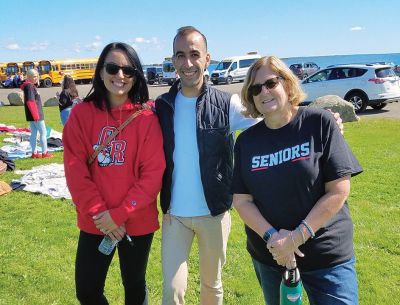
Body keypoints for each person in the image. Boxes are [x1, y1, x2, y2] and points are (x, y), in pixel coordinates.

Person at [155, 26, 344, 305]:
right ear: (173, 61)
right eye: (180, 56)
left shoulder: (226, 104)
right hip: (175, 214)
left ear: (207, 59)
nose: (188, 63)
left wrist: (318, 119)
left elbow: (277, 112)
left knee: (212, 287)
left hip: (214, 213)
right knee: (172, 291)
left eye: (195, 54)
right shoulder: (161, 106)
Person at [231, 56, 363, 305]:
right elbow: (242, 200)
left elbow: (338, 190)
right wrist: (275, 240)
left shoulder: (320, 122)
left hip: (328, 257)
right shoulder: (246, 141)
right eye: (255, 88)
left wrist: (296, 237)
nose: (264, 92)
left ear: (288, 84)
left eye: (271, 83)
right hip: (271, 258)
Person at [63, 42, 165, 305]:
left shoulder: (146, 118)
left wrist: (119, 215)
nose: (120, 76)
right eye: (113, 67)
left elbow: (152, 175)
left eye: (128, 70)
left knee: (134, 287)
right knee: (87, 290)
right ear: (100, 71)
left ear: (136, 75)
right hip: (96, 221)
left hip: (137, 222)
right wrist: (101, 214)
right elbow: (75, 170)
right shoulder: (81, 115)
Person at [21, 68, 54, 158]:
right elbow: (30, 102)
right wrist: (36, 115)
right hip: (36, 114)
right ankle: (44, 153)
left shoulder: (29, 86)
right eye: (34, 77)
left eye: (36, 76)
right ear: (29, 77)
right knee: (43, 133)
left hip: (32, 114)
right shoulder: (30, 86)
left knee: (34, 133)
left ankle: (34, 153)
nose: (35, 78)